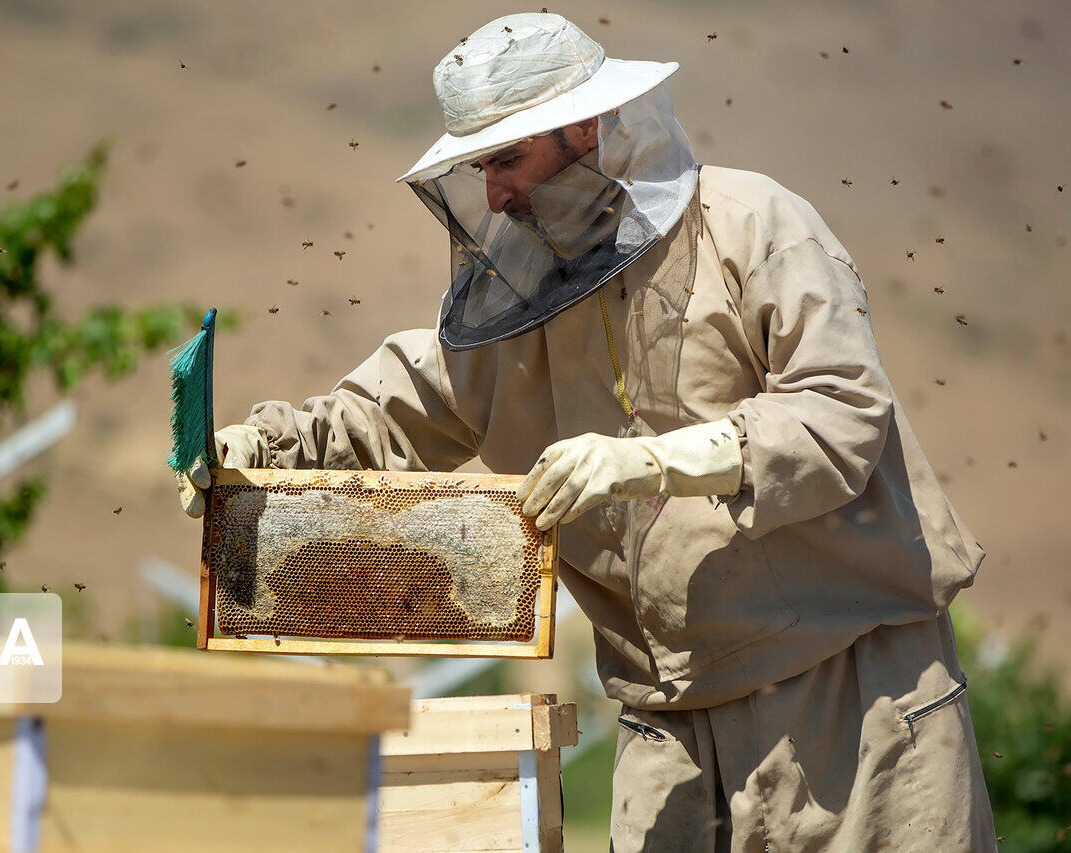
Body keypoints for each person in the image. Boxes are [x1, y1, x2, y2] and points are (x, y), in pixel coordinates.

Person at [177, 13, 995, 851]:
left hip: (851, 706)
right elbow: (398, 404)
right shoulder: (515, 296)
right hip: (665, 729)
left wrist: (649, 463)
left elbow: (840, 414)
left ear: (583, 128)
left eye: (506, 159)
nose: (492, 193)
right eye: (477, 167)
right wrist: (260, 448)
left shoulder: (753, 224)